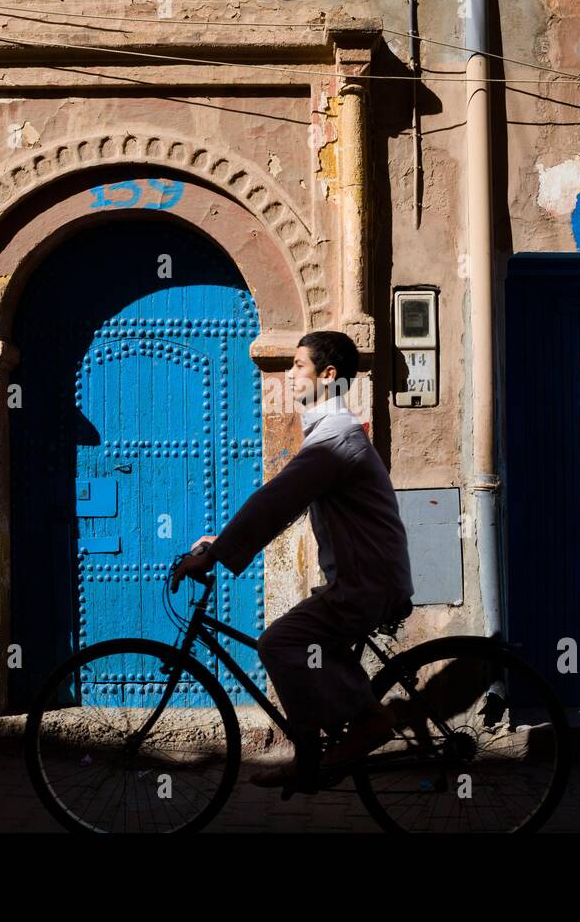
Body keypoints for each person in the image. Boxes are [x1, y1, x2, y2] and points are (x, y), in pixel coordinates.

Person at [171, 330, 415, 788]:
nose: (291, 374)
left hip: (366, 583)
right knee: (310, 650)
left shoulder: (336, 438)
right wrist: (222, 539)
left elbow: (276, 501)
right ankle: (322, 749)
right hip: (364, 578)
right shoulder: (329, 434)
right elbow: (286, 500)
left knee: (279, 643)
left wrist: (218, 553)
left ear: (328, 375)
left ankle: (362, 727)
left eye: (299, 366)